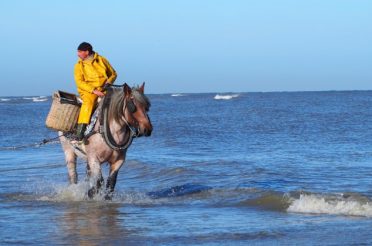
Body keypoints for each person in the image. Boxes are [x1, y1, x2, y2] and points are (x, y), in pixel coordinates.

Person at [73, 42, 117, 140]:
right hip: (88, 91)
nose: (78, 54)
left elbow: (113, 73)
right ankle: (80, 131)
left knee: (118, 101)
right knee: (88, 103)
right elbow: (80, 82)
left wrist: (108, 83)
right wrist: (94, 91)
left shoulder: (102, 60)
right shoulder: (78, 65)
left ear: (87, 52)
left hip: (104, 89)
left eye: (80, 52)